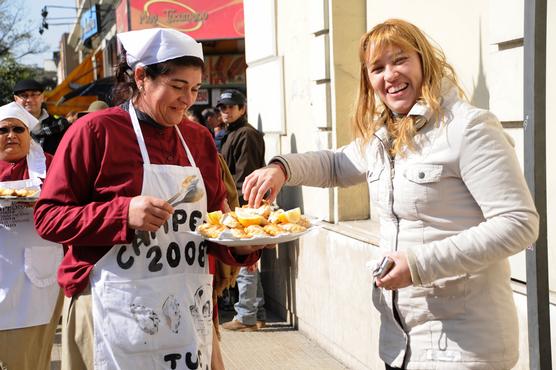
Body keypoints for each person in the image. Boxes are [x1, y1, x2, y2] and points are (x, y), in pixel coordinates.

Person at [242, 19, 539, 370]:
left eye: (400, 60)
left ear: (423, 61)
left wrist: (418, 264)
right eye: (377, 68)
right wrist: (282, 168)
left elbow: (518, 224)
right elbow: (337, 164)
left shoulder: (468, 127)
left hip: (464, 348)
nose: (390, 75)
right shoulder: (385, 133)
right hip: (399, 345)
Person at [33, 27, 265, 370]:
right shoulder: (95, 131)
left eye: (196, 89)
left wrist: (243, 244)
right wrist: (122, 213)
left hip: (186, 307)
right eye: (177, 87)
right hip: (107, 306)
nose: (188, 100)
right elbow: (48, 217)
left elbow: (215, 222)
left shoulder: (199, 140)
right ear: (141, 77)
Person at [0, 102, 63, 370]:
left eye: (18, 129)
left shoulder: (50, 164)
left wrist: (47, 204)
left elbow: (69, 204)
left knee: (27, 357)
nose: (11, 135)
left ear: (29, 134)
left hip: (36, 274)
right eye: (3, 130)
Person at [216, 89, 267, 333]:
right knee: (250, 263)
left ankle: (247, 316)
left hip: (244, 207)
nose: (226, 111)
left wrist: (237, 210)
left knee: (247, 264)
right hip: (239, 206)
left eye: (231, 107)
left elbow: (245, 177)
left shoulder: (245, 134)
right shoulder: (231, 133)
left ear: (242, 108)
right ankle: (255, 314)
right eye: (222, 107)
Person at [13, 79, 70, 155]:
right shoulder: (8, 127)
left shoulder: (60, 125)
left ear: (42, 97)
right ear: (16, 99)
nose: (29, 100)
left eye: (34, 94)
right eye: (24, 95)